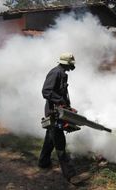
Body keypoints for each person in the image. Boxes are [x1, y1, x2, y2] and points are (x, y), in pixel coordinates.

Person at [38, 52, 76, 181]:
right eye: (71, 65)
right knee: (60, 142)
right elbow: (46, 91)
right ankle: (70, 175)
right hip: (53, 112)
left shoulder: (63, 74)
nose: (72, 67)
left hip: (60, 110)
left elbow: (62, 93)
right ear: (67, 64)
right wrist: (60, 101)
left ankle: (43, 163)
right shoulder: (56, 73)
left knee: (50, 138)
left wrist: (68, 106)